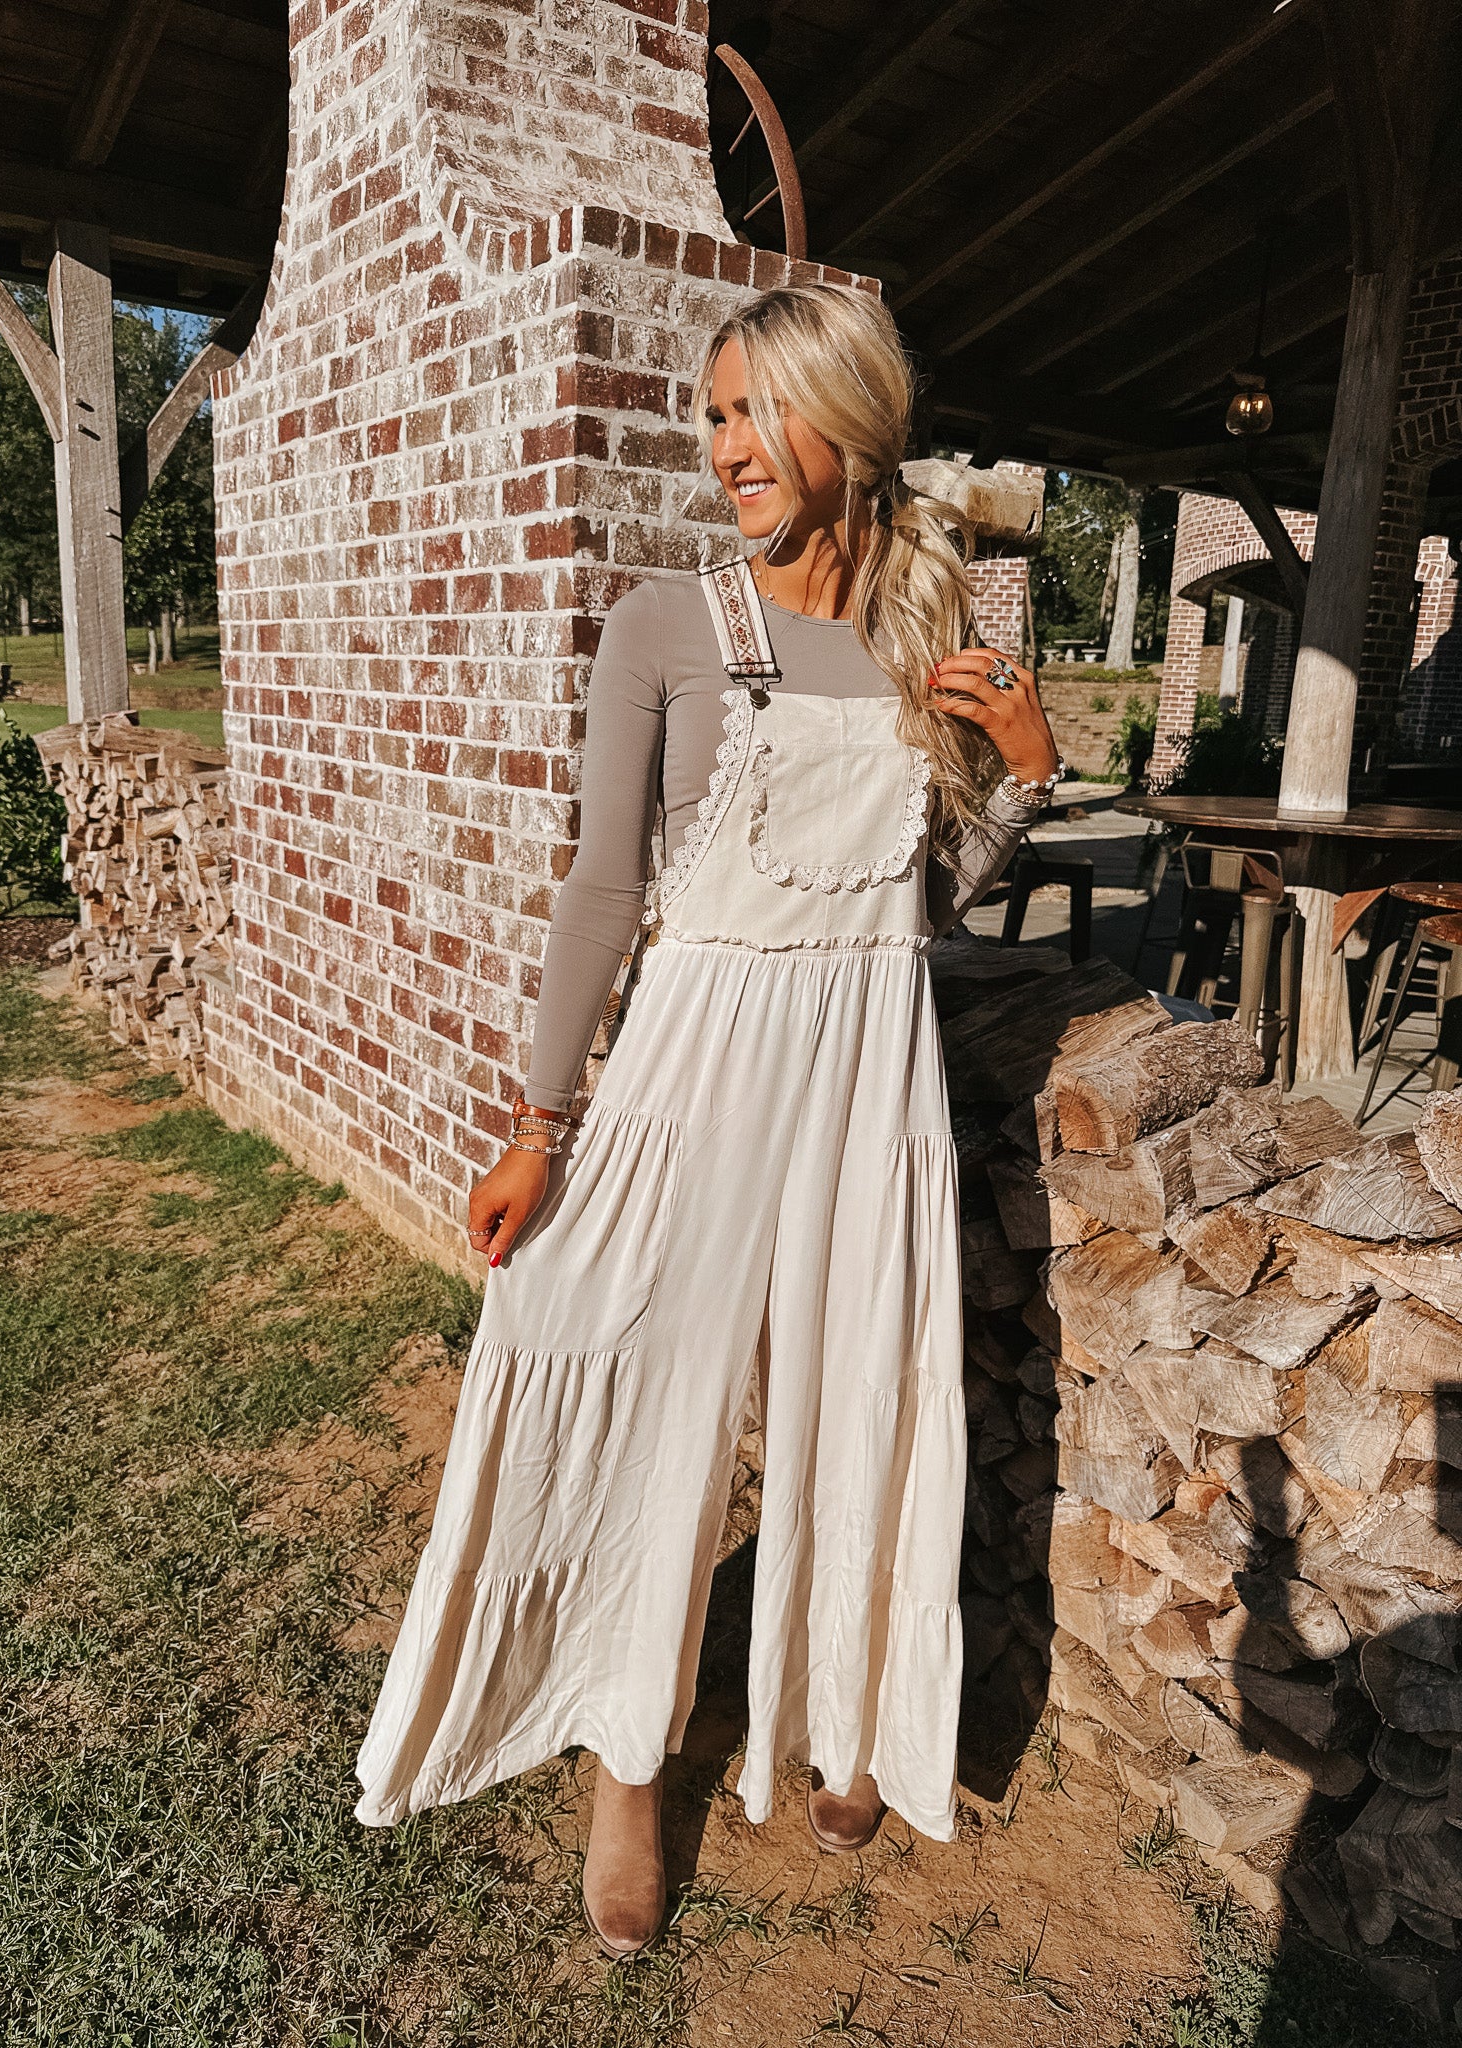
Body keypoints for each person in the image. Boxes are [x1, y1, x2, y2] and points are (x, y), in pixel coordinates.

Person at [354, 283, 1061, 1957]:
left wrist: (1028, 775)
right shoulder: (667, 626)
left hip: (866, 1065)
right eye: (716, 414)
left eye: (757, 410)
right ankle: (626, 1759)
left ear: (849, 421)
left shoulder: (925, 632)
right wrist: (541, 1120)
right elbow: (604, 889)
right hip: (693, 1066)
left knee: (865, 1381)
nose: (727, 446)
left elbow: (922, 904)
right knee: (642, 1391)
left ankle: (850, 1709)